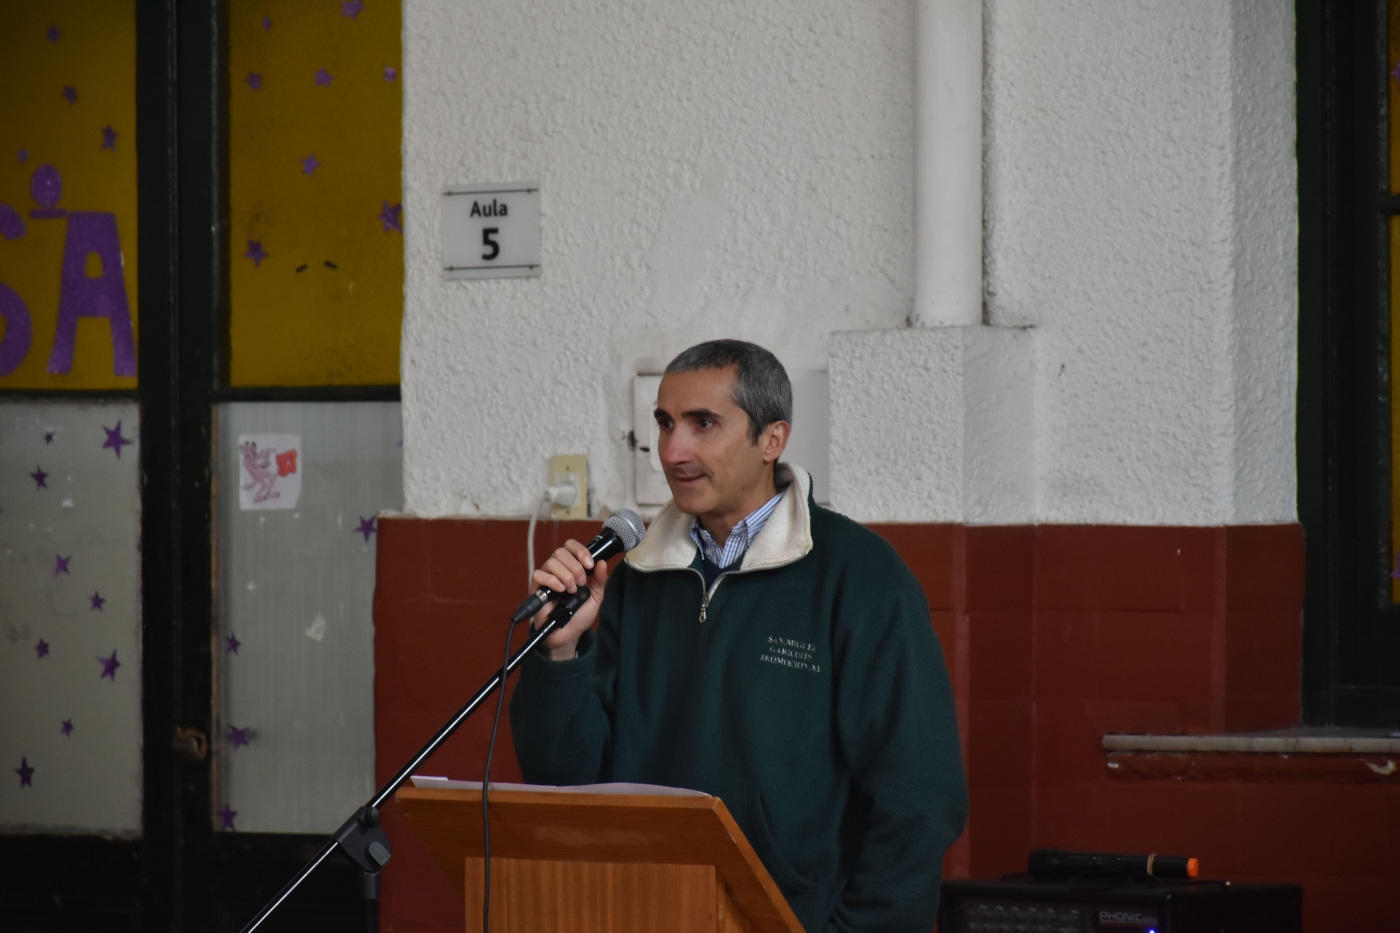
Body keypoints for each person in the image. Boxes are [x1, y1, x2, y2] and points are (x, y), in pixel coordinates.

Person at [509, 339, 967, 932]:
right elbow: (566, 782)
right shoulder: (635, 577)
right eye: (665, 423)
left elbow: (920, 799)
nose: (674, 451)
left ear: (772, 439)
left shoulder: (860, 575)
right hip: (635, 908)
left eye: (704, 424)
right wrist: (561, 651)